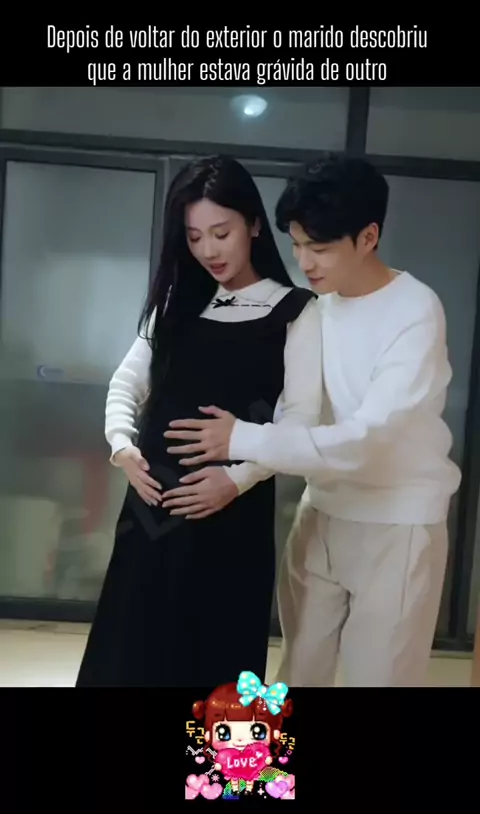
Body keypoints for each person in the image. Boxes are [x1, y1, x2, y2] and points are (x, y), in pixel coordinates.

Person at [164, 154, 462, 688]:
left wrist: (240, 439)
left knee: (380, 678)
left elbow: (367, 438)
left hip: (397, 522)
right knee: (298, 673)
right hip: (320, 512)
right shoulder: (313, 308)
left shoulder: (415, 310)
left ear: (368, 237)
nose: (304, 261)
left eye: (319, 248)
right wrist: (234, 471)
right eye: (298, 244)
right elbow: (290, 411)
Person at [75, 155, 322, 688]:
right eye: (193, 237)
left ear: (254, 225)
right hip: (151, 510)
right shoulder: (176, 301)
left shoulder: (296, 311)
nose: (208, 250)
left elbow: (300, 421)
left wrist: (234, 481)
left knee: (215, 663)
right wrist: (122, 447)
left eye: (221, 233)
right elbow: (126, 384)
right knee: (132, 652)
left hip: (232, 516)